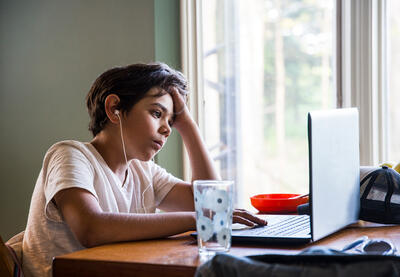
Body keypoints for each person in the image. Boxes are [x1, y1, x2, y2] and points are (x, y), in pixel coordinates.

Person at [21, 63, 267, 277]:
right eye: (157, 113)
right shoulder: (70, 154)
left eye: (172, 121)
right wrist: (199, 219)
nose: (167, 129)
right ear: (114, 108)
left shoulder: (144, 170)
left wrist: (188, 126)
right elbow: (91, 228)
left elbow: (211, 202)